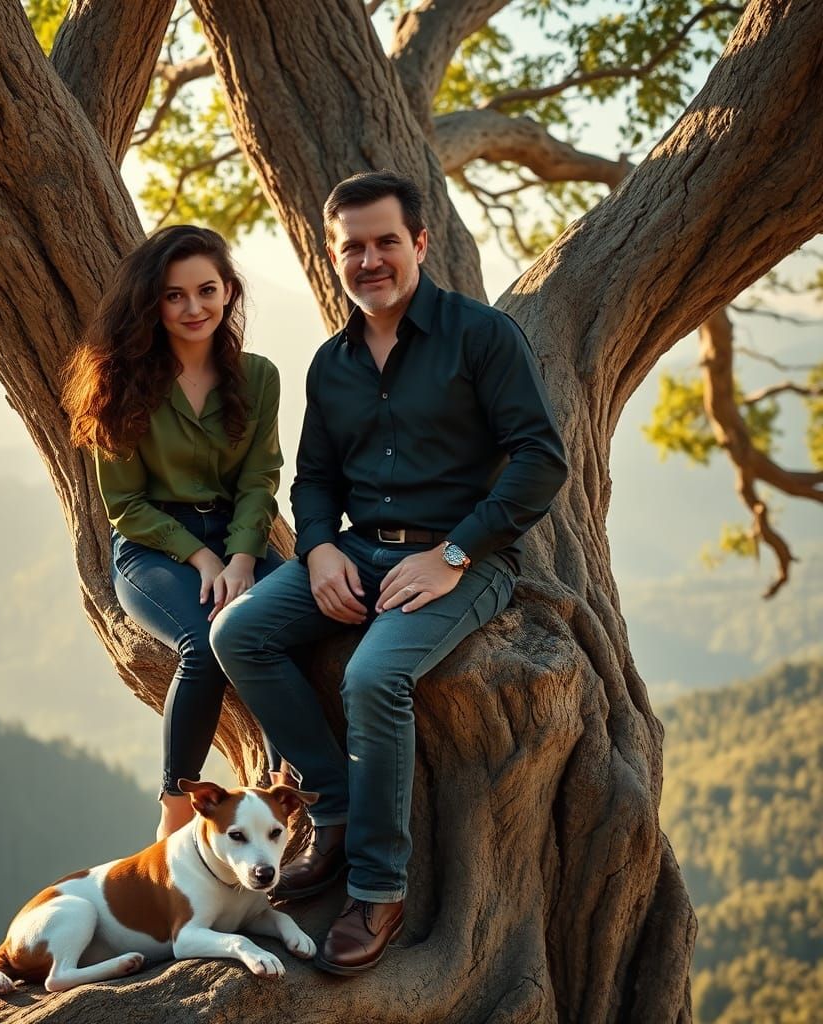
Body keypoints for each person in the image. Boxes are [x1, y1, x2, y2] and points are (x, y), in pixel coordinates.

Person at [210, 171, 569, 975]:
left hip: (465, 560)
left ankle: (377, 890)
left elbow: (541, 461)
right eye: (353, 247)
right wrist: (318, 548)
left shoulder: (483, 336)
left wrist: (452, 556)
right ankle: (332, 808)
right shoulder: (330, 363)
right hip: (358, 549)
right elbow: (313, 479)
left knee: (373, 677)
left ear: (420, 243)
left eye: (385, 242)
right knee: (238, 634)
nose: (369, 260)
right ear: (331, 254)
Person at [63, 225, 287, 841]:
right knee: (205, 645)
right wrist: (202, 560)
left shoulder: (258, 376)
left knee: (283, 630)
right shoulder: (119, 381)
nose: (194, 308)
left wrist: (241, 558)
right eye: (174, 295)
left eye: (206, 290)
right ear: (152, 303)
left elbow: (260, 478)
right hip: (155, 546)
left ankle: (280, 790)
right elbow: (125, 505)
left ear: (228, 291)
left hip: (240, 536)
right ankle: (175, 805)